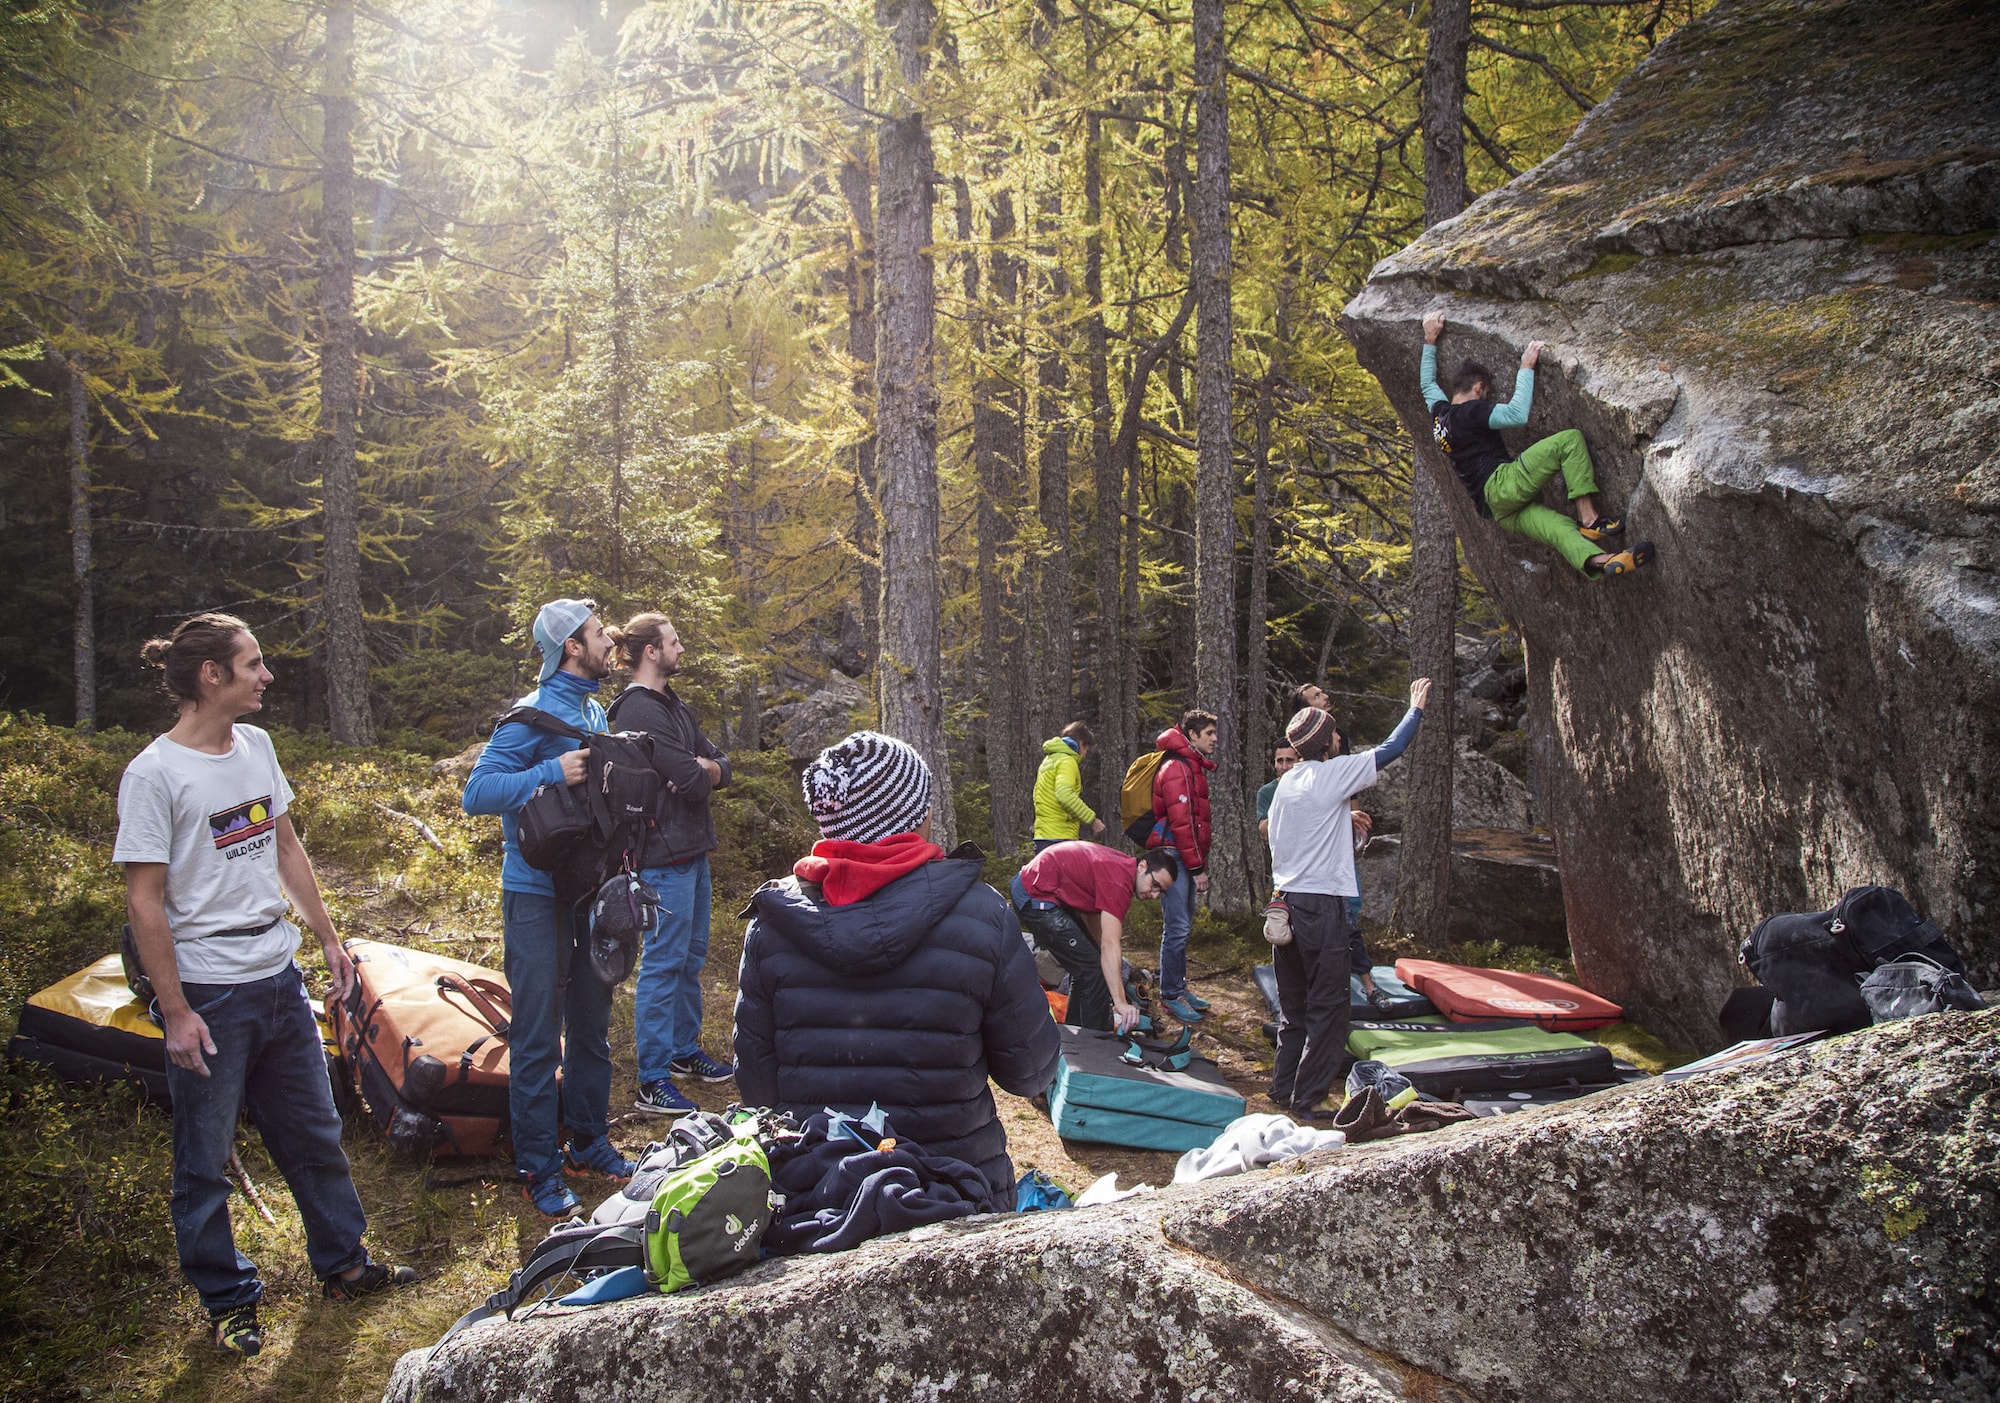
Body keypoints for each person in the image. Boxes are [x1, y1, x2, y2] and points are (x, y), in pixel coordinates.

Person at [114, 614, 415, 1358]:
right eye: (253, 664)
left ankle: (345, 1263)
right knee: (205, 1157)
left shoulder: (258, 747)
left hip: (277, 978)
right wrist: (175, 1009)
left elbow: (283, 841)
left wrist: (327, 937)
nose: (267, 676)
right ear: (212, 675)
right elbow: (144, 901)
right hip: (209, 994)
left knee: (315, 1131)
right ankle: (228, 1299)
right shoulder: (155, 774)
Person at [734, 731, 1060, 1200]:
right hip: (957, 1191)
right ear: (915, 816)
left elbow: (757, 1088)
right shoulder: (983, 913)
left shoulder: (773, 923)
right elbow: (1031, 1073)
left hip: (818, 1195)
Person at [462, 598, 634, 1217]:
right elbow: (475, 794)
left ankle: (588, 1141)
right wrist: (551, 772)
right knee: (539, 1031)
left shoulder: (591, 708)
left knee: (592, 1022)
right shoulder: (530, 717)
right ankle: (538, 1164)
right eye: (598, 633)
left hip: (591, 888)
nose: (609, 640)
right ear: (571, 648)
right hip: (534, 891)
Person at [1267, 678, 1432, 1121]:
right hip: (1323, 906)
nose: (1340, 738)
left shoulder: (1288, 783)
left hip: (1285, 903)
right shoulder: (1331, 773)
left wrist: (1344, 821)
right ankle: (1308, 1099)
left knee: (1294, 1006)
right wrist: (1415, 707)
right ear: (1324, 743)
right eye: (1335, 733)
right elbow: (1392, 748)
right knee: (1330, 1006)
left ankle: (1283, 1089)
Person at [605, 612, 735, 1119]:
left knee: (690, 957)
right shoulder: (639, 710)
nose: (682, 649)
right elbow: (695, 775)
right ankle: (653, 1077)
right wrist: (700, 771)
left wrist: (705, 769)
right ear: (651, 652)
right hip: (661, 856)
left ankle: (683, 1052)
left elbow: (717, 765)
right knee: (663, 964)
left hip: (691, 850)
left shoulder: (672, 705)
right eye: (674, 642)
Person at [1421, 311, 1653, 579]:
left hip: (1496, 510)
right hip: (1501, 484)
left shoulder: (1440, 415)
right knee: (1569, 441)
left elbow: (1427, 384)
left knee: (1557, 527)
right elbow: (1516, 414)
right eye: (1487, 394)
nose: (1488, 399)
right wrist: (1526, 367)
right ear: (1479, 387)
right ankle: (1590, 518)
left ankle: (1601, 560)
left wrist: (1430, 339)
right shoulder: (1471, 412)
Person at [1012, 843, 1180, 1033]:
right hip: (1033, 894)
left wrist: (1099, 952)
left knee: (1090, 966)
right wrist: (1120, 1002)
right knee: (1093, 971)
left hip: (1038, 890)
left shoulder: (1120, 868)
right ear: (1142, 867)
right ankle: (1097, 1043)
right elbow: (1110, 944)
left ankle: (1076, 1035)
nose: (1155, 894)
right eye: (1155, 885)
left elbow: (1093, 918)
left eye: (1161, 892)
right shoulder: (1119, 881)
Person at [1145, 709, 1216, 1025]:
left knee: (1182, 926)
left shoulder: (1190, 766)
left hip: (1182, 856)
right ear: (1192, 735)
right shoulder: (1177, 768)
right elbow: (1182, 822)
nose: (1215, 739)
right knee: (1177, 927)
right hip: (1175, 856)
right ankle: (1170, 995)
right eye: (1209, 733)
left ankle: (1178, 988)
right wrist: (1197, 867)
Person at [1032, 721, 1105, 852]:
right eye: (1086, 750)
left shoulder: (1049, 760)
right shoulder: (1067, 761)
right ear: (1081, 744)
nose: (1084, 755)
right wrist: (1092, 820)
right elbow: (1064, 795)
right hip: (1059, 836)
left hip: (1043, 835)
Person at [1255, 743, 1299, 842]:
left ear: (1299, 761)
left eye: (1289, 761)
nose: (1284, 767)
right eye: (1280, 761)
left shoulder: (1308, 787)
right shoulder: (1266, 792)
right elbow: (1264, 831)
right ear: (1274, 763)